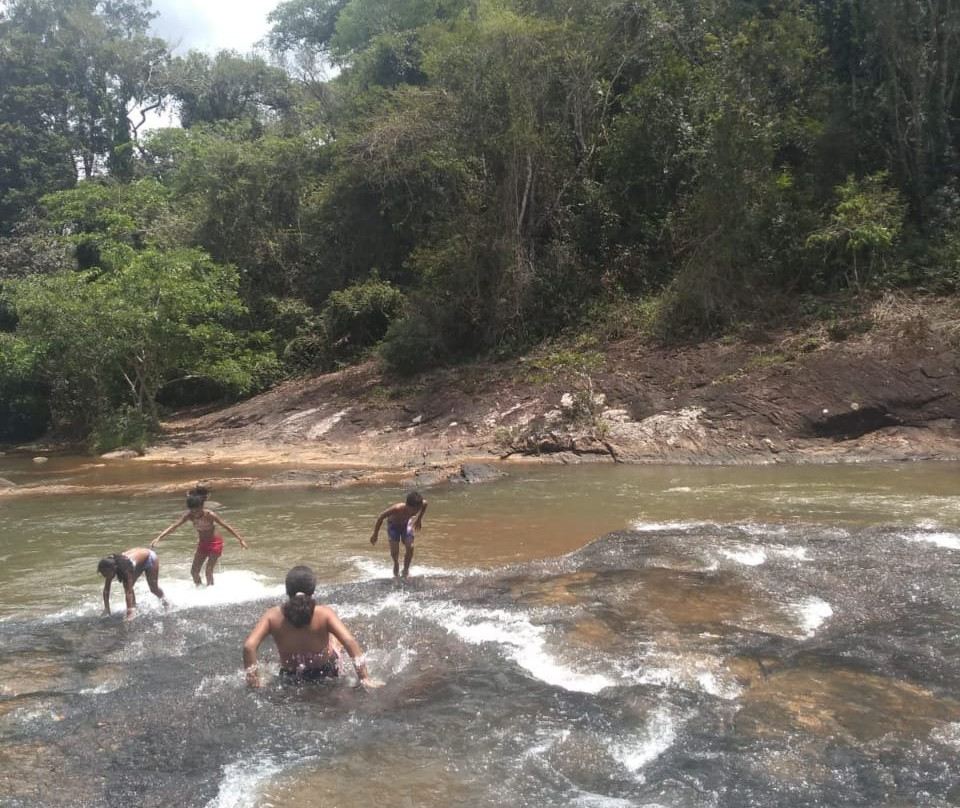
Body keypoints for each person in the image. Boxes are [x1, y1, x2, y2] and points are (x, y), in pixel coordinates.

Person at [242, 565, 380, 688]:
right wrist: (364, 678)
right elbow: (349, 641)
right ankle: (334, 641)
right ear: (312, 590)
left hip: (290, 675)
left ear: (287, 590)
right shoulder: (324, 613)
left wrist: (253, 681)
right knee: (336, 635)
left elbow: (249, 647)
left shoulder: (272, 615)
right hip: (326, 672)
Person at [150, 488, 248, 586]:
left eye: (197, 510)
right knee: (194, 572)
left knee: (208, 572)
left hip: (215, 543)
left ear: (202, 506)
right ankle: (199, 589)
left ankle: (210, 591)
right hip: (202, 544)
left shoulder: (210, 515)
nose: (195, 513)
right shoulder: (189, 516)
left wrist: (240, 539)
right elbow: (174, 526)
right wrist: (159, 537)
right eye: (192, 511)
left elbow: (226, 526)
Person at [97, 548, 169, 621]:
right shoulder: (108, 566)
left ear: (114, 568)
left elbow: (128, 592)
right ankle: (134, 607)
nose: (105, 576)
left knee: (153, 589)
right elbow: (106, 590)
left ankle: (165, 602)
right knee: (128, 586)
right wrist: (107, 609)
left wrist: (129, 611)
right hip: (138, 561)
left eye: (106, 574)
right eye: (103, 574)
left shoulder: (124, 568)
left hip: (150, 558)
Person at [369, 490, 428, 577]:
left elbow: (425, 504)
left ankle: (405, 570)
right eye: (413, 510)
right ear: (407, 505)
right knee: (395, 552)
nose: (415, 512)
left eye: (417, 510)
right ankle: (396, 563)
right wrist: (375, 534)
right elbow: (380, 518)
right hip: (393, 527)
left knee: (410, 547)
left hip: (406, 524)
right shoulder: (397, 509)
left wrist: (419, 519)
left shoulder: (420, 504)